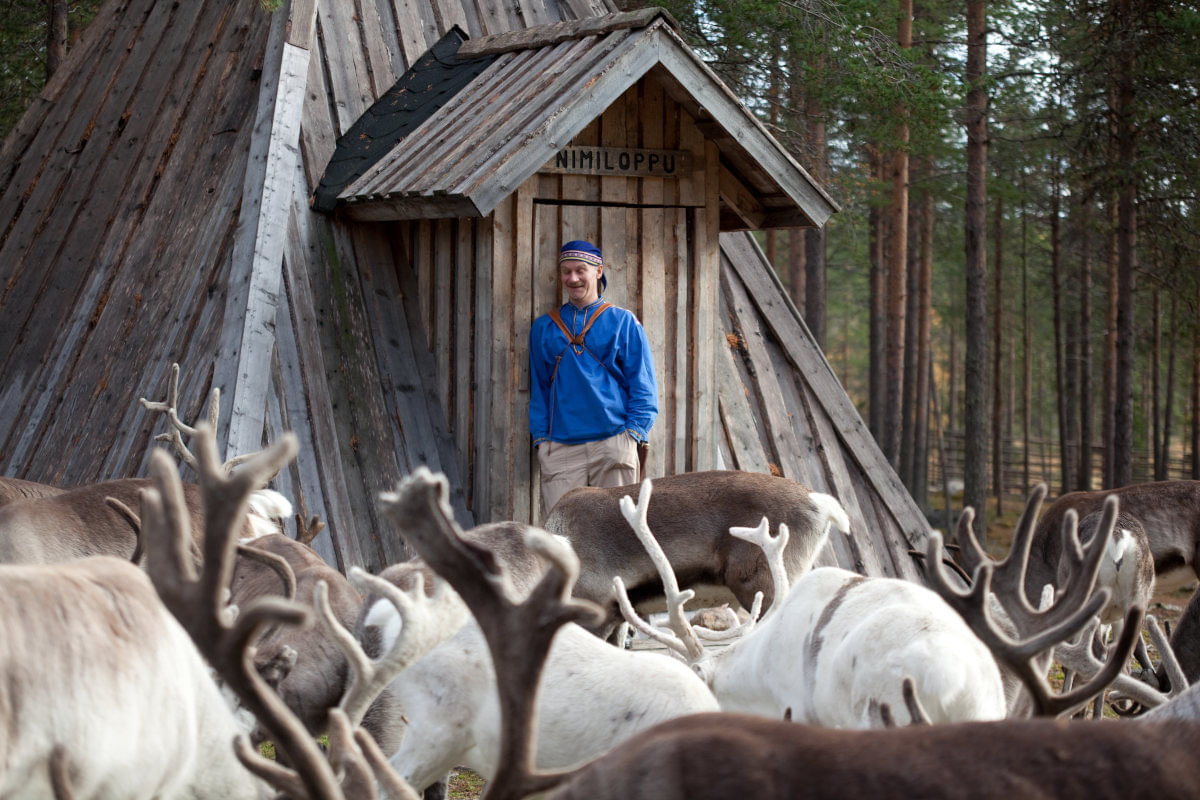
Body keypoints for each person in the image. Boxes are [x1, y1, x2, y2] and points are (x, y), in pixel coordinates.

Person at [529, 240, 658, 516]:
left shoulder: (623, 322)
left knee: (617, 531)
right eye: (566, 271)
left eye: (580, 270)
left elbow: (643, 384)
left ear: (598, 271)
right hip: (561, 448)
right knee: (562, 533)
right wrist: (542, 440)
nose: (573, 278)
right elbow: (539, 388)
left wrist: (632, 435)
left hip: (613, 443)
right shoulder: (544, 327)